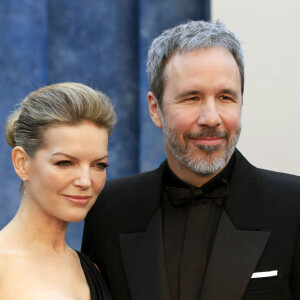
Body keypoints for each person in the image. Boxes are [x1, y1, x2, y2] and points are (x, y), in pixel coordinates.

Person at [82, 20, 300, 300]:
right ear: (155, 108)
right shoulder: (110, 210)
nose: (211, 118)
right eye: (192, 98)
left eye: (225, 97)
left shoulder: (292, 206)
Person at [0, 82, 116, 299]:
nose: (85, 181)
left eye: (98, 165)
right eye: (65, 163)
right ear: (22, 163)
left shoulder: (91, 270)